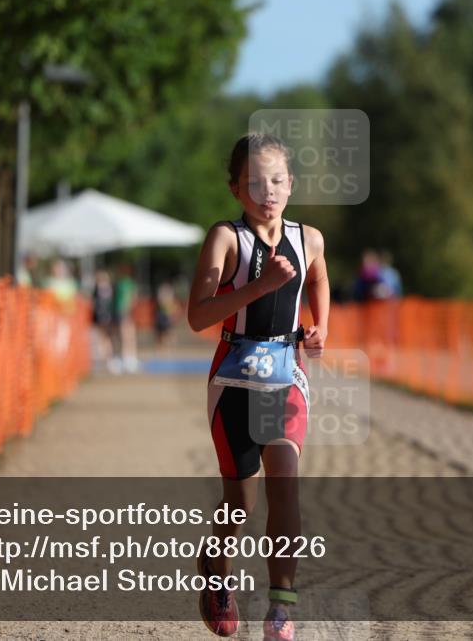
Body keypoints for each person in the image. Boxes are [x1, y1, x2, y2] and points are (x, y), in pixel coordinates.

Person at [187, 132, 329, 641]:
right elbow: (197, 316)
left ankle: (281, 607)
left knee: (284, 481)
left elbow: (318, 279)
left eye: (276, 180)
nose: (266, 191)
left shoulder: (309, 238)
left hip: (285, 372)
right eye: (254, 182)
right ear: (235, 189)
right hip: (234, 375)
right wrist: (259, 286)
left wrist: (321, 326)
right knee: (240, 502)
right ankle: (217, 570)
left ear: (291, 184)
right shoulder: (226, 238)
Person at [111, 262, 139, 373]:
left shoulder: (127, 283)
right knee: (122, 335)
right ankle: (125, 357)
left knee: (127, 335)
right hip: (121, 312)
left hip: (125, 312)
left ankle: (129, 358)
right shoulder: (119, 283)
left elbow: (132, 298)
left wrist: (128, 309)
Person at [91, 269, 115, 371]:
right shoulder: (98, 289)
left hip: (105, 317)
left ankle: (107, 359)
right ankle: (103, 360)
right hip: (100, 317)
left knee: (105, 338)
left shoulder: (104, 289)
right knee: (101, 339)